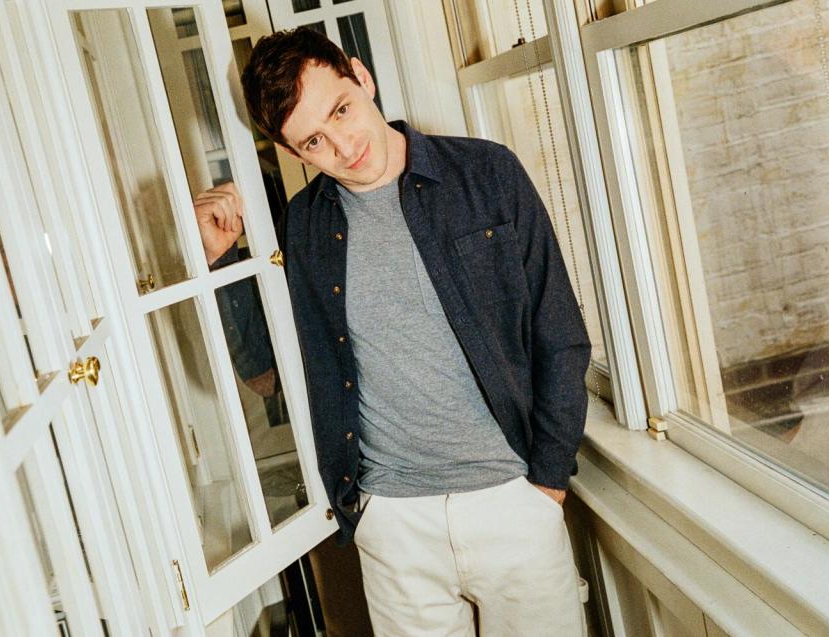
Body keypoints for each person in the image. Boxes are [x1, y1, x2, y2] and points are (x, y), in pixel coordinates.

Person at [194, 27, 590, 637]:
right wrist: (220, 264)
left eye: (342, 110)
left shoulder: (487, 173)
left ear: (362, 76)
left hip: (514, 501)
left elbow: (557, 329)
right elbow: (268, 376)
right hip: (393, 523)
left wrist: (548, 481)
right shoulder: (301, 227)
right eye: (315, 141)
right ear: (294, 154)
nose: (344, 147)